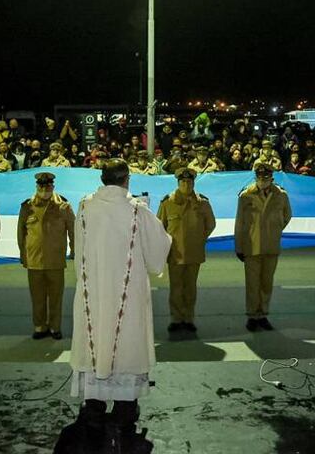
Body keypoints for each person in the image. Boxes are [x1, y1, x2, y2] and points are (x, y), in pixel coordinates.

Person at [69, 159, 171, 435]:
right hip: (128, 292)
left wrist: (86, 280)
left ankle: (94, 403)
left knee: (96, 338)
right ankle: (125, 407)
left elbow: (78, 252)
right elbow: (158, 249)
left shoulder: (86, 206)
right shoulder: (137, 211)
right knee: (127, 339)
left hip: (95, 288)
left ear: (102, 179)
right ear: (127, 179)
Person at [235, 163, 292, 331]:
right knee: (252, 283)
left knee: (267, 282)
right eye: (259, 179)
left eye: (265, 179)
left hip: (271, 246)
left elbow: (287, 215)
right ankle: (252, 316)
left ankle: (263, 314)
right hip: (251, 246)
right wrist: (239, 247)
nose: (262, 182)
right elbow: (240, 223)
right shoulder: (246, 196)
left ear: (271, 179)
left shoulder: (280, 195)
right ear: (255, 178)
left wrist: (274, 229)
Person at [17, 172, 74, 340]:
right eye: (41, 187)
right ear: (37, 187)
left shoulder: (63, 206)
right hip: (34, 260)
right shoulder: (27, 207)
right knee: (37, 297)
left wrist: (74, 251)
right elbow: (21, 233)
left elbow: (73, 229)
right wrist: (23, 254)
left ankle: (55, 327)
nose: (45, 190)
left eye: (48, 187)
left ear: (53, 187)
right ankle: (40, 326)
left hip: (55, 260)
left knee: (56, 297)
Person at [158, 167, 215, 333]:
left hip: (194, 252)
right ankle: (176, 319)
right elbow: (160, 226)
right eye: (183, 181)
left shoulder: (202, 203)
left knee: (190, 287)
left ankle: (189, 318)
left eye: (189, 182)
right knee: (176, 287)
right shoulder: (168, 202)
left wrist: (199, 239)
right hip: (175, 253)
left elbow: (210, 224)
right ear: (178, 183)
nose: (186, 184)